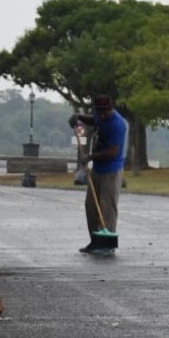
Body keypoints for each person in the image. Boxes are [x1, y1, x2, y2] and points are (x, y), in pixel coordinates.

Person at [69, 94, 128, 255]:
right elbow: (92, 120)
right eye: (98, 111)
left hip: (111, 170)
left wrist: (89, 157)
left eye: (104, 112)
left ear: (110, 109)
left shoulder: (117, 125)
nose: (101, 115)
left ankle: (107, 245)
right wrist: (78, 117)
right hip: (97, 169)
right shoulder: (100, 116)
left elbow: (112, 152)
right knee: (91, 206)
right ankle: (96, 241)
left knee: (106, 208)